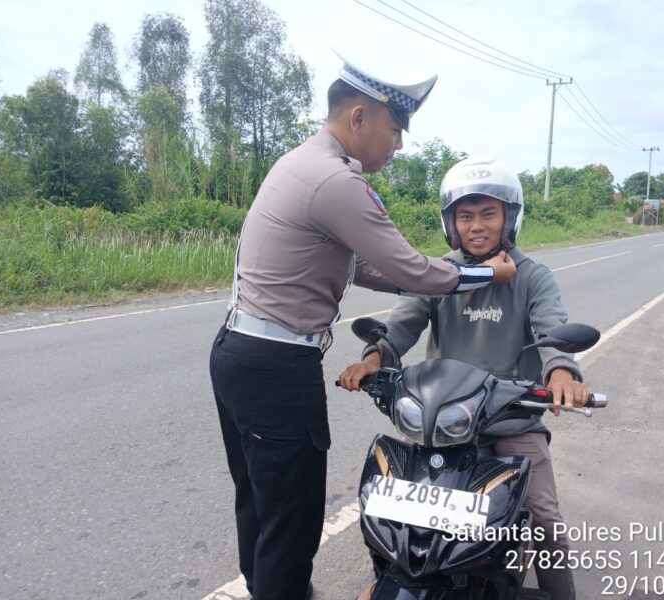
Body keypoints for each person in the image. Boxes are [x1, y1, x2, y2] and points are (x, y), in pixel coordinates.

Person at [208, 53, 517, 600]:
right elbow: (406, 267)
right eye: (394, 130)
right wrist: (480, 272)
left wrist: (426, 279)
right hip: (277, 368)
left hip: (241, 352)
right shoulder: (335, 181)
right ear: (359, 119)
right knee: (293, 519)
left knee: (259, 504)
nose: (397, 145)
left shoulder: (300, 163)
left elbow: (367, 267)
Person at [339, 157, 590, 600]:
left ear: (509, 217)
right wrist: (376, 356)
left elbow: (552, 331)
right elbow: (402, 324)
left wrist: (562, 371)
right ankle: (390, 580)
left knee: (545, 515)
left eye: (488, 214)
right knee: (395, 509)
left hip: (512, 423)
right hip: (444, 427)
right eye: (466, 215)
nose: (477, 226)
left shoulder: (532, 278)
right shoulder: (443, 275)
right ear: (451, 223)